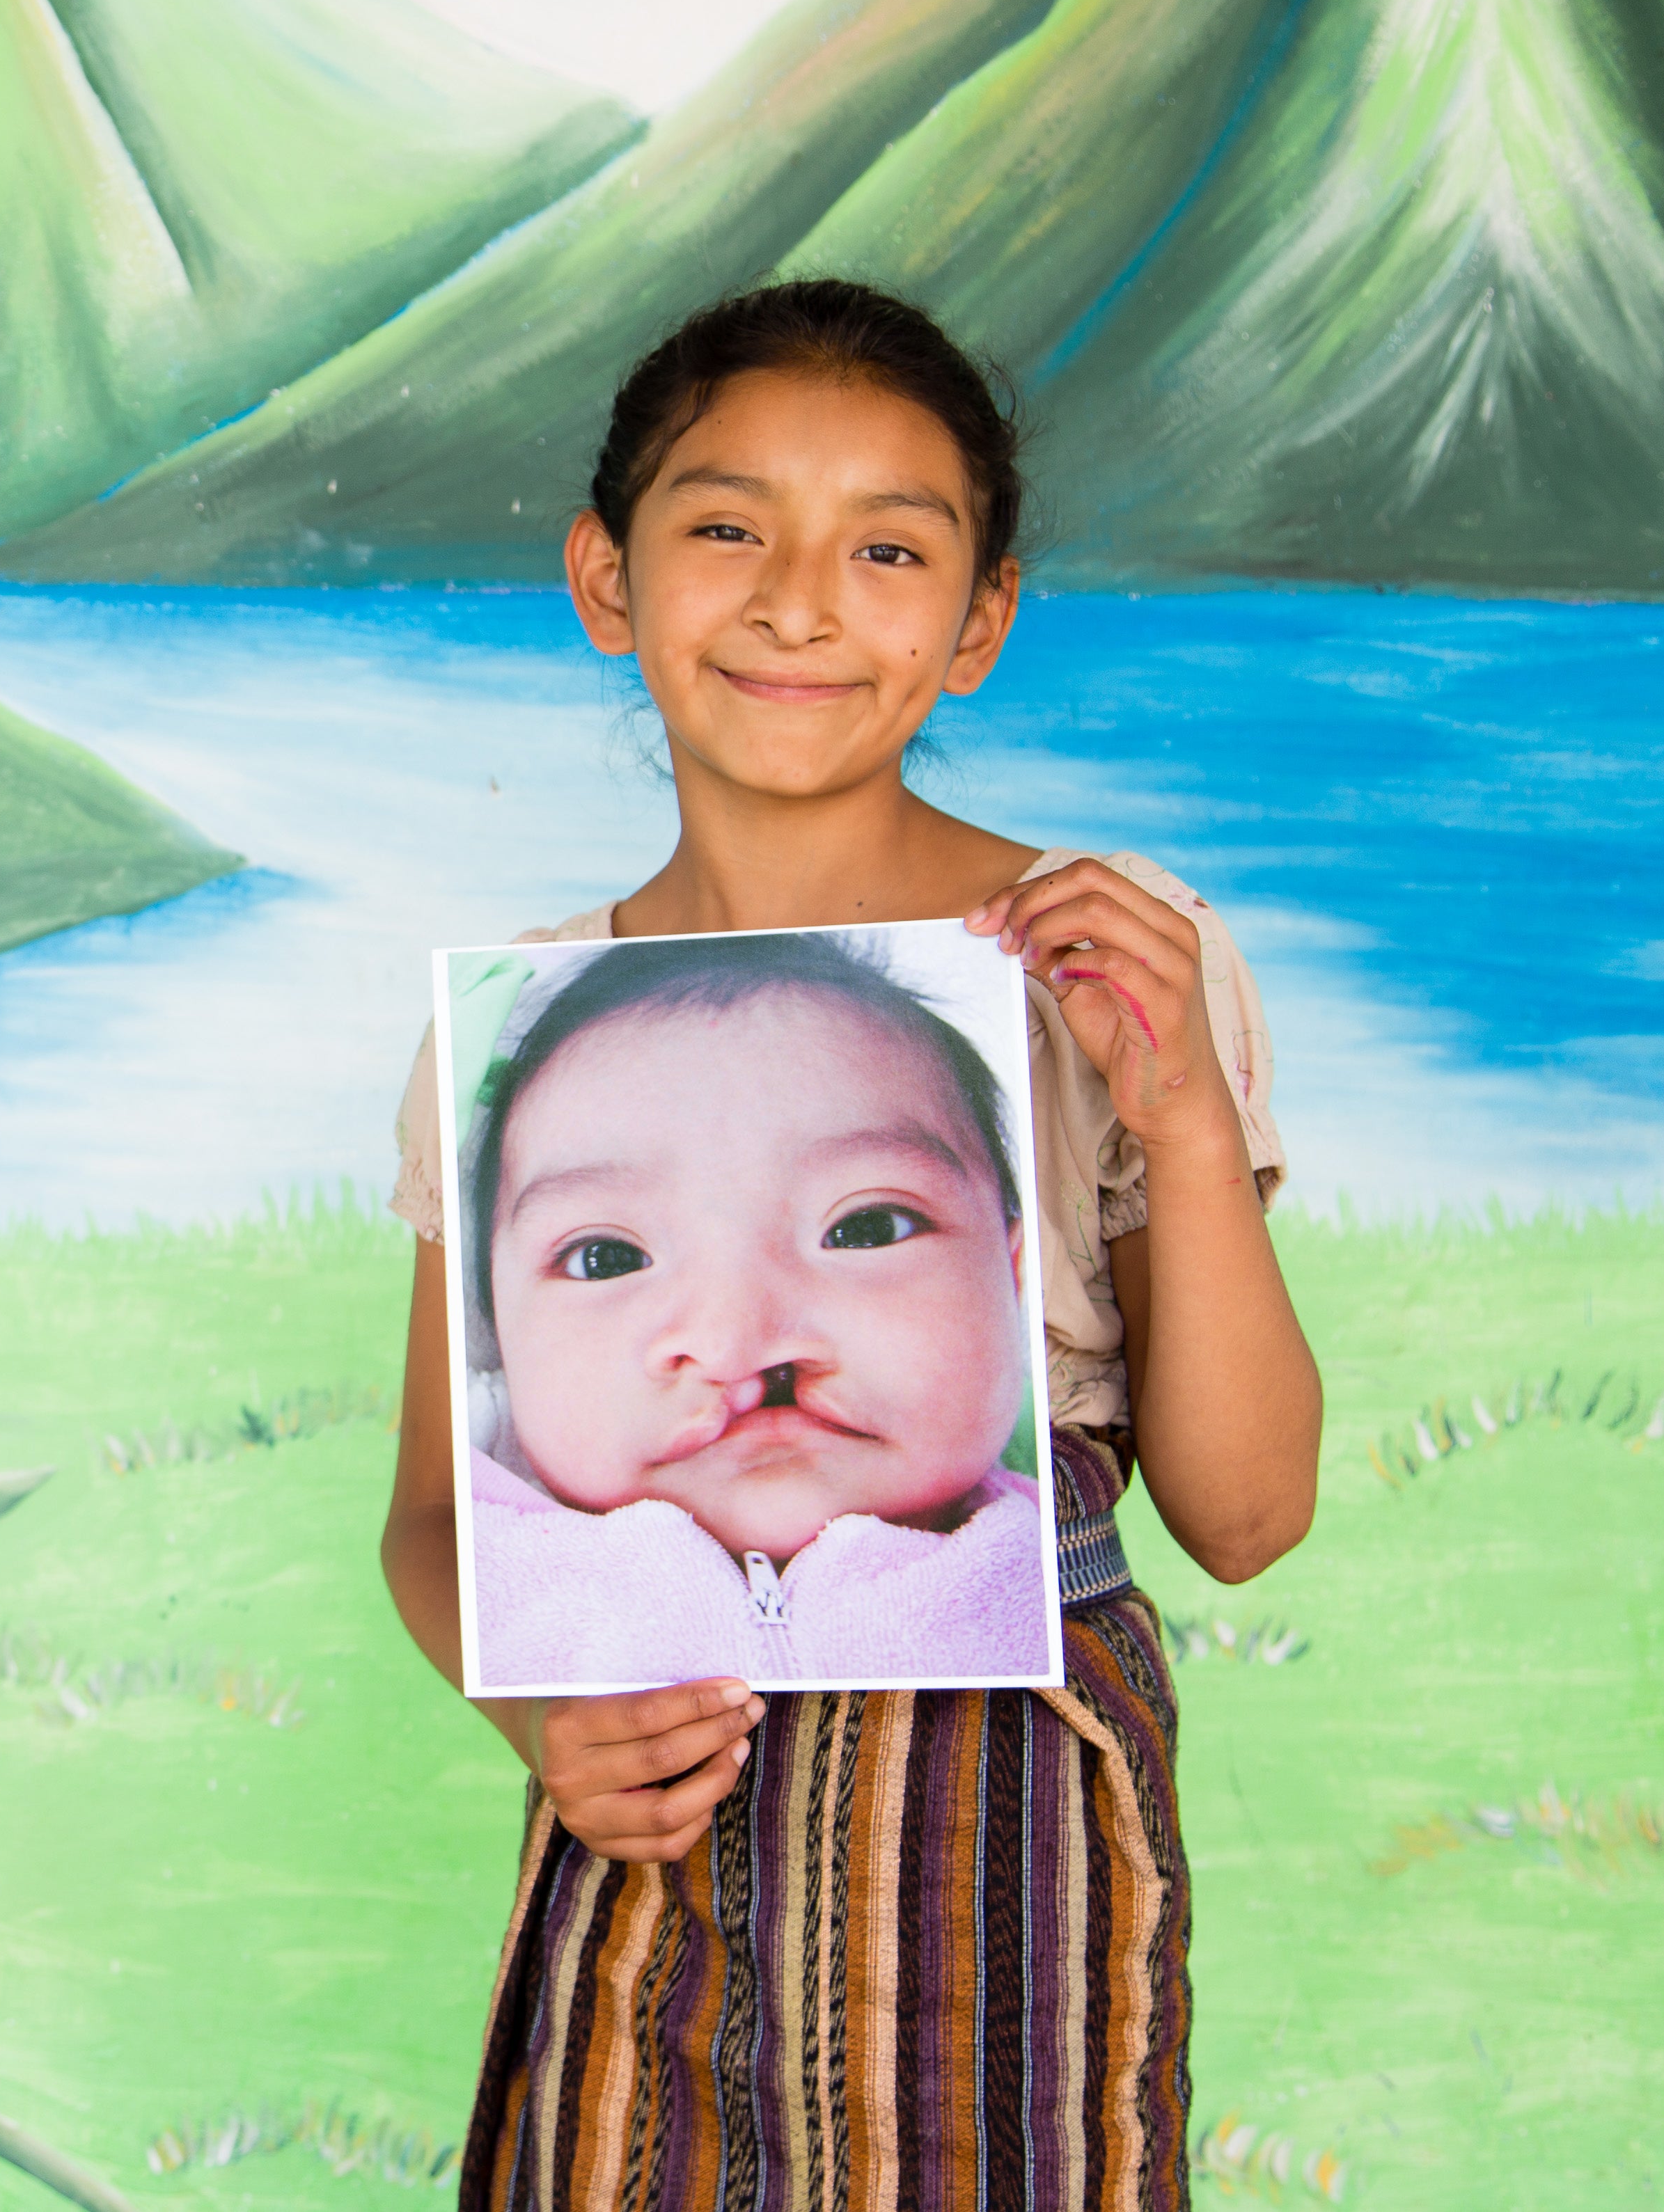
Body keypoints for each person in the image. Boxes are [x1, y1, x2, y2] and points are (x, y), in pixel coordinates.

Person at [377, 278, 1321, 2209]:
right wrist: (542, 1712)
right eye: (726, 525)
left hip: (1006, 1827)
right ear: (604, 576)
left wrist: (1184, 1120)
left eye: (888, 547)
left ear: (976, 620)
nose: (801, 599)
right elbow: (427, 1513)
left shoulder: (1115, 971)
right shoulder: (520, 1031)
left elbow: (1241, 1510)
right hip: (655, 1816)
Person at [455, 929, 1052, 1689]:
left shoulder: (1054, 1567)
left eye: (863, 1227)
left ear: (1012, 1278)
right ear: (493, 1332)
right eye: (605, 1255)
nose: (738, 1339)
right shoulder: (481, 1565)